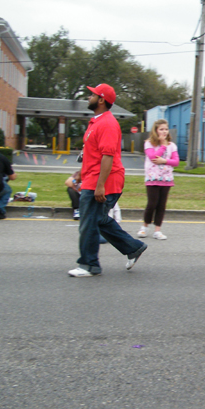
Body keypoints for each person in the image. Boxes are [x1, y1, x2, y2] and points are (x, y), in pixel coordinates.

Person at [68, 83, 147, 277]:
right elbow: (92, 153)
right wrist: (80, 172)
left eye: (92, 94)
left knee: (88, 222)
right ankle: (133, 247)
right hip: (93, 178)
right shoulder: (96, 121)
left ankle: (89, 265)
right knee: (98, 219)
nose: (89, 97)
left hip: (103, 181)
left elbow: (108, 157)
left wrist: (100, 185)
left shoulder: (108, 124)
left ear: (101, 100)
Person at [138, 119, 179, 240]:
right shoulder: (149, 143)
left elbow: (176, 161)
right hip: (152, 178)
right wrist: (162, 146)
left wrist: (165, 161)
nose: (164, 131)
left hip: (166, 179)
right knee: (152, 204)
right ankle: (144, 227)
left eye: (166, 129)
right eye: (161, 129)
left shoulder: (172, 146)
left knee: (161, 205)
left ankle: (157, 230)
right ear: (156, 130)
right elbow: (153, 157)